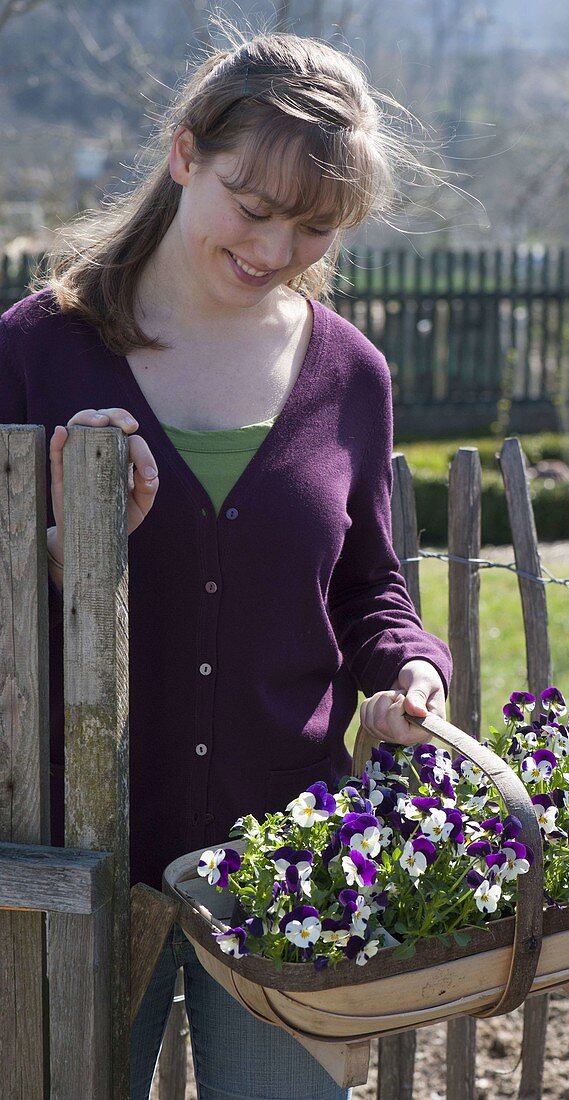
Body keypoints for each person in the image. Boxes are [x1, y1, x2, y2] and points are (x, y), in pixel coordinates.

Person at [0, 26, 452, 1100]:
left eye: (314, 225)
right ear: (184, 152)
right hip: (75, 865)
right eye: (253, 207)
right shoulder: (33, 351)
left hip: (286, 873)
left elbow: (367, 586)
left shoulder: (353, 374)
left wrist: (407, 669)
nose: (276, 247)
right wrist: (65, 547)